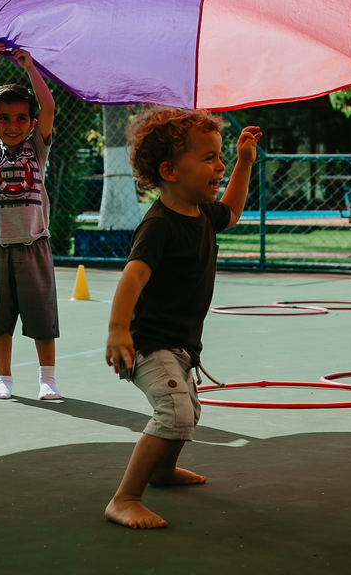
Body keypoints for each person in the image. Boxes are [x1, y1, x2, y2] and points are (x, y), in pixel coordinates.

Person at [103, 108, 260, 529]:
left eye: (221, 156)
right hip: (149, 343)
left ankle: (163, 470)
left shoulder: (202, 212)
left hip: (181, 344)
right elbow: (133, 276)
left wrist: (245, 162)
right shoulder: (159, 225)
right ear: (169, 171)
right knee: (174, 412)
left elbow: (233, 211)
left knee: (189, 409)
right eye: (209, 158)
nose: (220, 166)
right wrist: (118, 330)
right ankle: (124, 498)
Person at [0, 41, 60, 401]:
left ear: (32, 123)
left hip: (33, 244)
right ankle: (3, 380)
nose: (13, 125)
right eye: (5, 119)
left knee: (42, 319)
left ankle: (47, 380)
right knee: (0, 321)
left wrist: (30, 67)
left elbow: (49, 106)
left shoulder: (37, 150)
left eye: (21, 118)